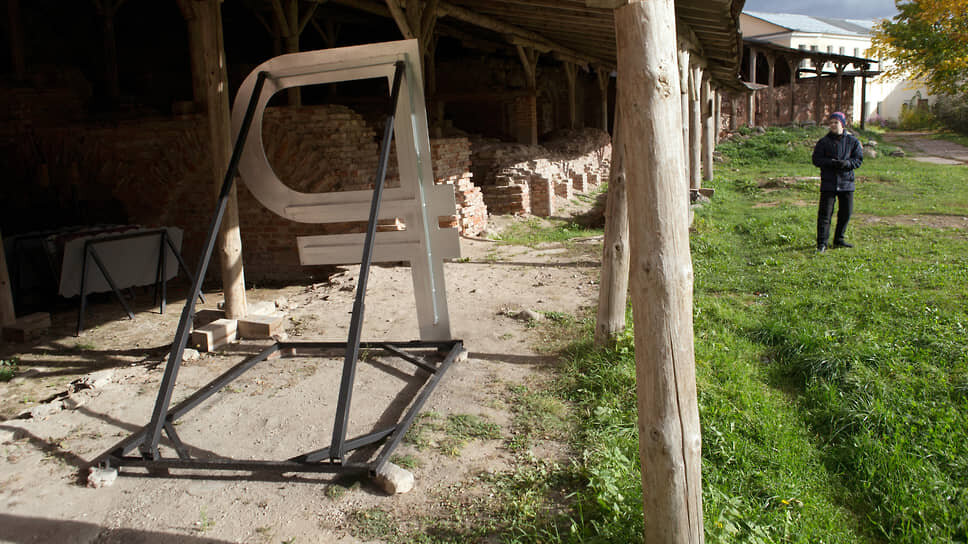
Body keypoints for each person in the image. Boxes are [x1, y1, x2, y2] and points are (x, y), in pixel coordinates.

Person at [812, 111, 863, 253]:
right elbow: (816, 160)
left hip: (847, 183)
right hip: (829, 183)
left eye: (836, 122)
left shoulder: (852, 141)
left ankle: (839, 239)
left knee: (846, 213)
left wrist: (847, 164)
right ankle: (822, 243)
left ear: (843, 124)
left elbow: (858, 160)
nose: (833, 125)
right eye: (831, 123)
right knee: (825, 215)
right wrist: (831, 163)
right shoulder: (823, 142)